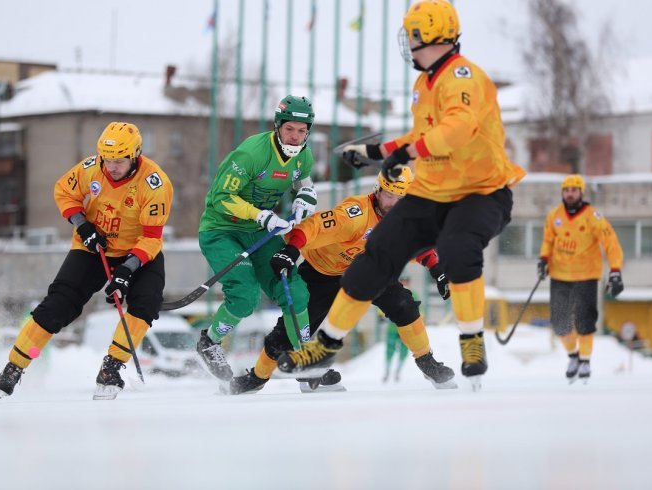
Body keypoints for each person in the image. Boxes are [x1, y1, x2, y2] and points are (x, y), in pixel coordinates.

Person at [278, 0, 525, 390]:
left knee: (459, 248)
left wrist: (405, 153)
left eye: (413, 37)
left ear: (435, 36)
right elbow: (419, 136)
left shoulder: (462, 76)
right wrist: (377, 153)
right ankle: (323, 346)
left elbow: (457, 130)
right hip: (432, 190)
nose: (408, 45)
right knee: (377, 255)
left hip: (480, 191)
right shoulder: (423, 84)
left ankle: (472, 339)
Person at [230, 169, 456, 394]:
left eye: (401, 198)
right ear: (377, 191)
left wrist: (438, 270)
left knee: (403, 304)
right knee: (292, 329)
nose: (394, 204)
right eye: (389, 195)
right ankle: (257, 377)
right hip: (322, 273)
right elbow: (315, 224)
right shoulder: (354, 214)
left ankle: (427, 362)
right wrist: (291, 249)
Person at [0, 121, 173, 402]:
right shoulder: (91, 168)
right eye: (108, 159)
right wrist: (82, 225)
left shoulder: (155, 184)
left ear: (135, 155)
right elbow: (64, 191)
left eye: (119, 161)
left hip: (138, 252)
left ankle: (111, 367)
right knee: (59, 304)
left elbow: (152, 237)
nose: (111, 167)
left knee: (146, 303)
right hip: (93, 248)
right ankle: (14, 366)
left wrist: (126, 271)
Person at [195, 95, 318, 385]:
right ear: (278, 126)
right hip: (221, 229)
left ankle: (305, 358)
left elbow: (303, 179)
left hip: (260, 230)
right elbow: (221, 198)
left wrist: (306, 194)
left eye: (302, 131)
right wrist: (261, 215)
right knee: (245, 294)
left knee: (294, 289)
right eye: (290, 129)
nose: (295, 136)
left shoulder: (304, 156)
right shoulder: (252, 153)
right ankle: (210, 343)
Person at [538, 174, 624, 382]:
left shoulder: (593, 216)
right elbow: (548, 241)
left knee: (585, 320)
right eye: (566, 190)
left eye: (574, 190)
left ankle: (585, 361)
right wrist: (543, 260)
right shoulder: (554, 216)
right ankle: (573, 356)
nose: (570, 194)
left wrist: (615, 270)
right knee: (560, 323)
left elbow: (610, 243)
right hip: (560, 274)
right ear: (562, 193)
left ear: (581, 192)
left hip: (586, 275)